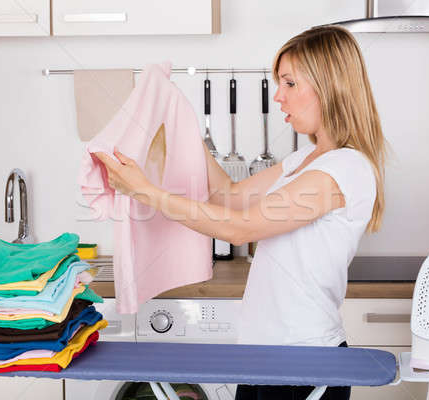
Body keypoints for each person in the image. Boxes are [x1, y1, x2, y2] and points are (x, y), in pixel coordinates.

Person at [95, 24, 387, 400]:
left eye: (290, 83)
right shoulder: (303, 160)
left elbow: (240, 228)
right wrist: (181, 126)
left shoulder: (345, 168)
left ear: (329, 86)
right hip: (262, 356)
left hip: (304, 363)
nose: (279, 96)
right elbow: (229, 196)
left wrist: (146, 192)